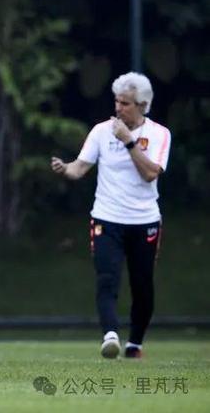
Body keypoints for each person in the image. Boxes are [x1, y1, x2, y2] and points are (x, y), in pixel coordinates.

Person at [51, 72, 171, 359]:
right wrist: (65, 168)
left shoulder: (159, 134)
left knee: (142, 285)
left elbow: (150, 174)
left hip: (144, 220)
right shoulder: (102, 131)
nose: (118, 108)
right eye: (117, 101)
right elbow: (80, 168)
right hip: (106, 217)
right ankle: (110, 336)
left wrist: (129, 142)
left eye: (125, 103)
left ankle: (135, 344)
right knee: (107, 278)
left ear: (142, 105)